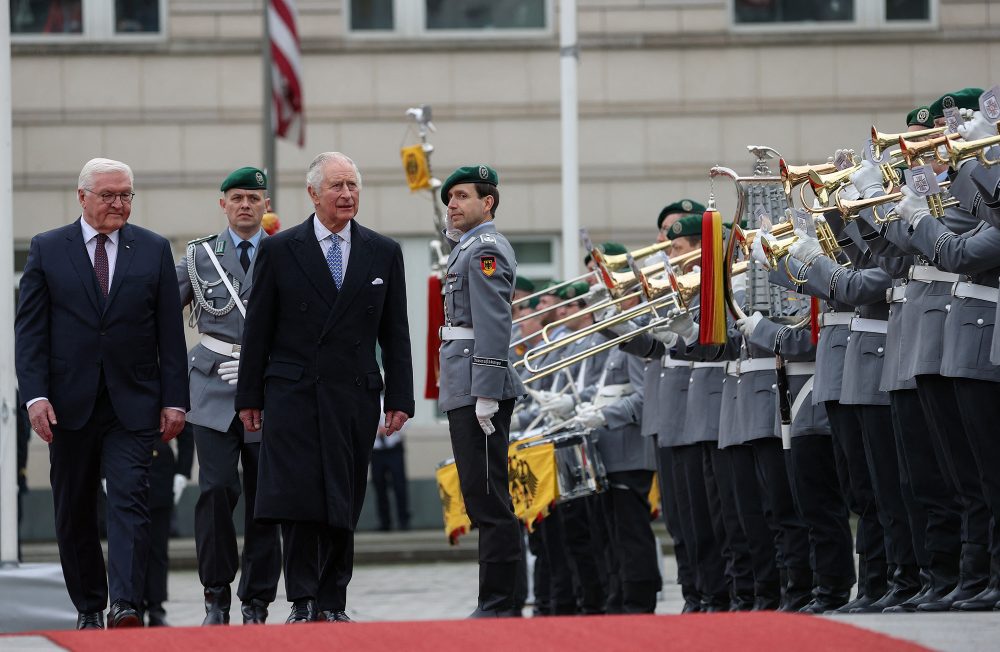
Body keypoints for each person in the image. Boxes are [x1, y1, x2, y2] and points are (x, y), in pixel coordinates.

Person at [235, 152, 414, 623]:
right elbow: (258, 330)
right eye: (336, 186)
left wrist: (400, 398)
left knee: (344, 496)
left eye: (353, 185)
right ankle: (303, 599)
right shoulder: (279, 249)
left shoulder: (383, 251)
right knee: (299, 498)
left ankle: (334, 600)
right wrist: (249, 397)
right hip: (293, 393)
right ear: (313, 194)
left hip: (354, 394)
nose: (347, 194)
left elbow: (396, 333)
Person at [15, 157, 189, 629]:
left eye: (126, 194)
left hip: (133, 404)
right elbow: (30, 333)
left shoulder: (152, 249)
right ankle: (90, 608)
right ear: (82, 197)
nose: (119, 203)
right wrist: (35, 397)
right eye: (109, 195)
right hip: (67, 407)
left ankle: (126, 605)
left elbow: (171, 335)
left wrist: (176, 399)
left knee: (130, 500)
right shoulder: (48, 249)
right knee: (73, 510)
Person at [176, 166, 283, 625]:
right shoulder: (201, 255)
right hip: (212, 383)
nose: (245, 205)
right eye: (236, 197)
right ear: (223, 204)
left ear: (266, 205)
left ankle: (256, 600)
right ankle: (215, 594)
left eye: (253, 198)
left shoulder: (284, 252)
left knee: (266, 497)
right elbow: (159, 309)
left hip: (266, 389)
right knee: (217, 489)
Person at [437, 164, 525, 617]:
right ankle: (497, 601)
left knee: (489, 499)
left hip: (478, 385)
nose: (452, 204)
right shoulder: (466, 249)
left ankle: (499, 603)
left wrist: (487, 389)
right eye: (449, 197)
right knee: (480, 496)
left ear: (487, 202)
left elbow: (493, 322)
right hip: (465, 382)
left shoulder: (485, 248)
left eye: (462, 196)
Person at [142, 423, 194, 626]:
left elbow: (185, 429)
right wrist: (104, 473)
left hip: (160, 470)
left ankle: (156, 606)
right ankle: (129, 605)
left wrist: (182, 472)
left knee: (157, 548)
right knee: (129, 547)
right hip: (124, 463)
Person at [370, 396, 411, 531]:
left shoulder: (394, 402)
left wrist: (390, 428)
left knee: (400, 486)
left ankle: (403, 521)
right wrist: (377, 431)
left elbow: (406, 423)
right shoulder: (368, 402)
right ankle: (384, 523)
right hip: (376, 451)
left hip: (394, 448)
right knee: (379, 486)